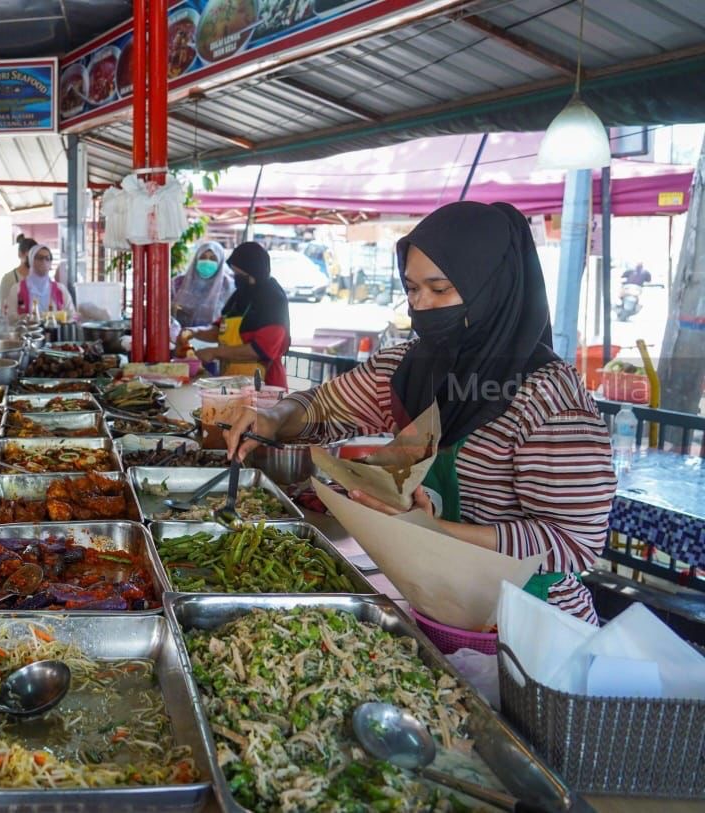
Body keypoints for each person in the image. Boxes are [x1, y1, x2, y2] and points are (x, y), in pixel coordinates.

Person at [227, 201, 616, 623]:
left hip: (535, 628)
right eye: (412, 289)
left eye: (440, 288)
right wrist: (276, 416)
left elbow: (574, 543)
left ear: (492, 287)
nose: (423, 304)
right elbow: (323, 406)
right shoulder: (408, 368)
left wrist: (434, 531)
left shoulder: (548, 397)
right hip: (438, 602)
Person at [192, 242, 290, 388]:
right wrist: (193, 332)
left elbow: (261, 350)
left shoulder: (273, 300)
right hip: (232, 381)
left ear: (254, 271)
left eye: (240, 274)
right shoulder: (241, 295)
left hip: (264, 386)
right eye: (235, 273)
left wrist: (215, 352)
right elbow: (220, 329)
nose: (237, 278)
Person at [171, 240, 235, 328]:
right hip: (179, 338)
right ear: (196, 259)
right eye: (203, 257)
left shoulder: (228, 286)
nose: (207, 261)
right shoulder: (177, 283)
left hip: (212, 339)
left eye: (213, 259)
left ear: (220, 262)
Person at [3, 243, 75, 319]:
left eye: (47, 258)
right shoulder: (17, 289)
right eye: (39, 258)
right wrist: (26, 318)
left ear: (51, 263)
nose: (44, 261)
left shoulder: (60, 289)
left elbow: (72, 315)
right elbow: (10, 317)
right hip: (28, 330)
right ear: (31, 260)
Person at [0, 235, 34, 310]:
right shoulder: (9, 279)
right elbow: (4, 310)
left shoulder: (39, 279)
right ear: (20, 254)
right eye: (29, 254)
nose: (31, 259)